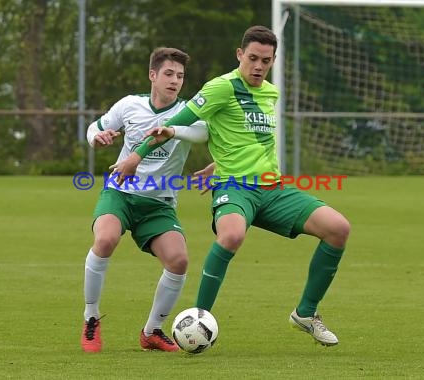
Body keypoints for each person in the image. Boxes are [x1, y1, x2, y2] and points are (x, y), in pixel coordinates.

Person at [111, 26, 350, 347]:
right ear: (240, 55)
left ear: (273, 60)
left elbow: (251, 141)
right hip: (234, 188)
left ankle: (305, 314)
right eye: (252, 58)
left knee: (338, 228)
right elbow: (174, 122)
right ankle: (198, 318)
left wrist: (217, 160)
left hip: (272, 187)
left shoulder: (271, 93)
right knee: (232, 235)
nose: (258, 66)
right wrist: (135, 157)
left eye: (265, 60)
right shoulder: (221, 87)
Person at [81, 47, 208, 353]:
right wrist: (97, 138)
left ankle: (152, 331)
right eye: (168, 74)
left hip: (159, 203)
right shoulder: (130, 105)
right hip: (121, 193)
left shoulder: (188, 112)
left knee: (179, 261)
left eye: (180, 76)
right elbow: (94, 129)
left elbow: (202, 134)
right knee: (106, 239)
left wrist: (174, 130)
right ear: (153, 75)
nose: (175, 80)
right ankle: (91, 318)